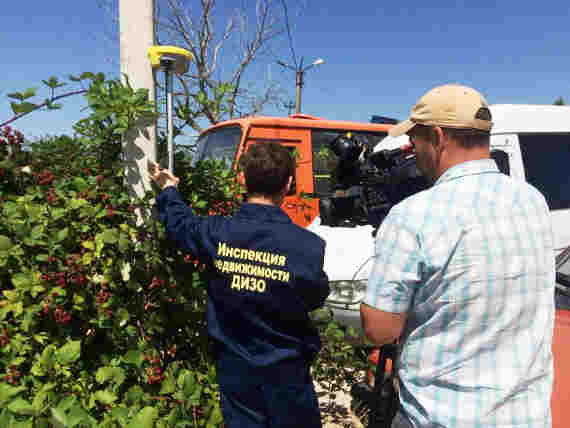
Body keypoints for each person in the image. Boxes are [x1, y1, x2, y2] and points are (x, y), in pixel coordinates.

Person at [360, 84, 555, 428]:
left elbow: (379, 330)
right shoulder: (533, 201)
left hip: (441, 417)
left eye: (415, 141)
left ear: (436, 138)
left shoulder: (413, 216)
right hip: (526, 415)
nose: (411, 151)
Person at [150, 142, 330, 428]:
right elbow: (315, 296)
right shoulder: (308, 247)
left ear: (242, 179)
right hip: (288, 372)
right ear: (289, 184)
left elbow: (181, 224)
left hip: (236, 372)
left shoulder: (215, 232)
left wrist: (169, 189)